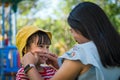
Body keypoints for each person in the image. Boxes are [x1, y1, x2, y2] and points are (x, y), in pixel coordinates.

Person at [21, 2, 120, 80]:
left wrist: (29, 66)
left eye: (72, 30)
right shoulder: (114, 48)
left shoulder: (81, 53)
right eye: (40, 46)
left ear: (82, 28)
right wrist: (63, 66)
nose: (73, 36)